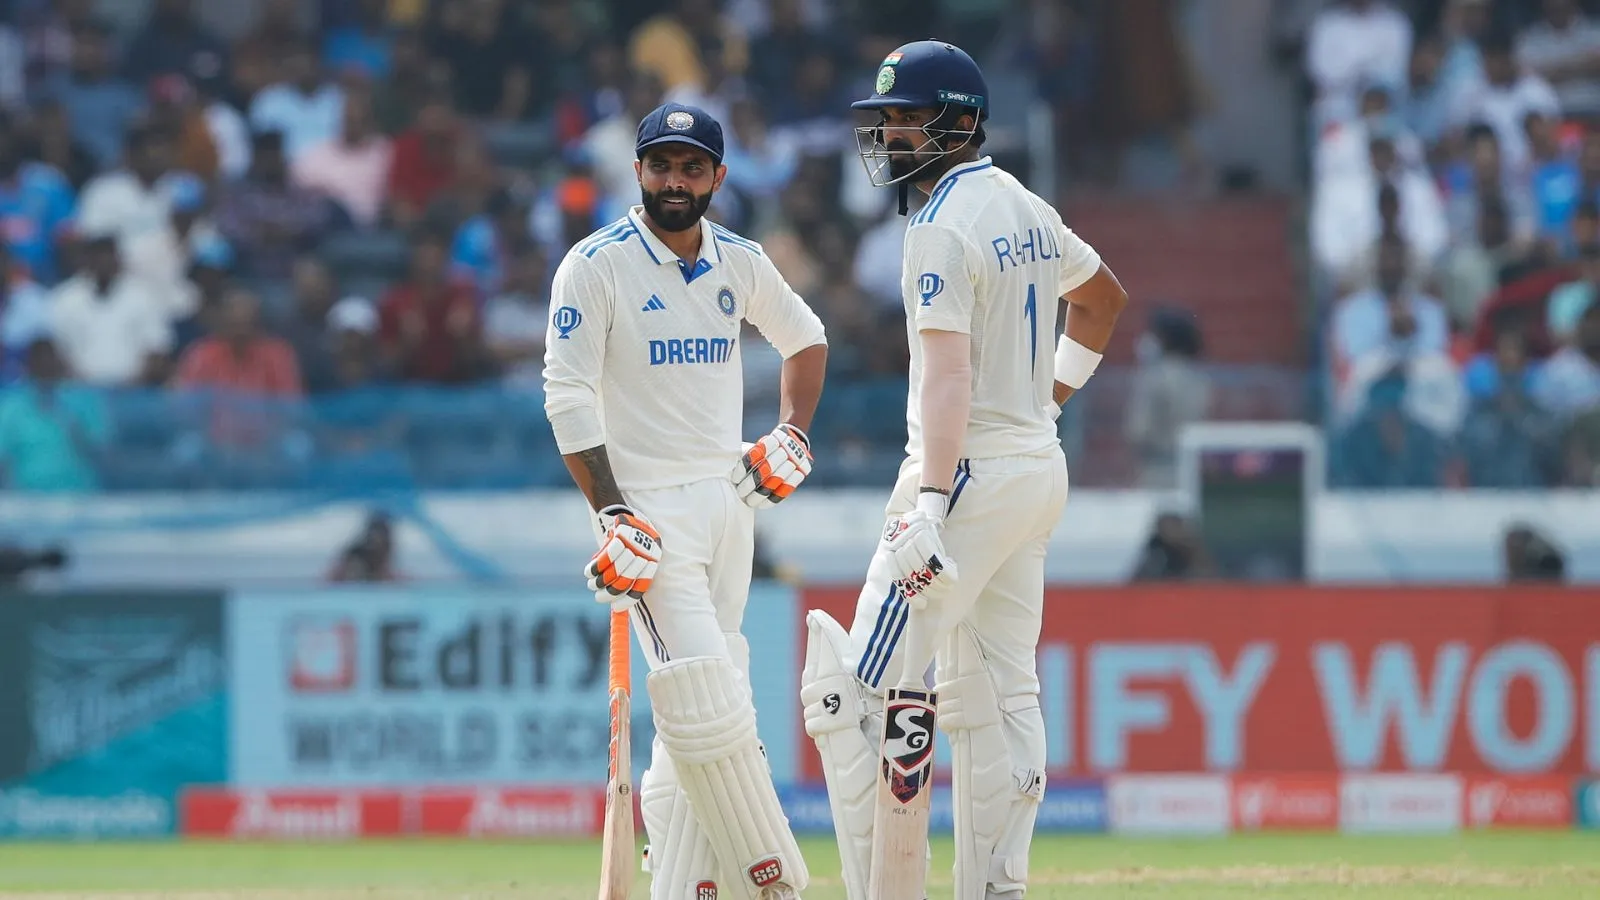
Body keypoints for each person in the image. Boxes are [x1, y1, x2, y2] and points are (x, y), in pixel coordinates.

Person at [801, 41, 1129, 900]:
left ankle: (884, 892)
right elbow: (1101, 302)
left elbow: (947, 376)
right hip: (1032, 472)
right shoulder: (1025, 205)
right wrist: (1048, 399)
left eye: (910, 118)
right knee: (997, 696)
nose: (894, 135)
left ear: (962, 121)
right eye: (887, 120)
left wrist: (934, 503)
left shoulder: (940, 224)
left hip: (968, 477)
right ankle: (996, 889)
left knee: (853, 696)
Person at [542, 101, 826, 900]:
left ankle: (678, 885)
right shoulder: (594, 265)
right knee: (708, 693)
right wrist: (611, 511)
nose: (675, 180)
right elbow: (566, 397)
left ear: (717, 178)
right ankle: (770, 883)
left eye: (691, 167)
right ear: (637, 173)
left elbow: (806, 338)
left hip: (731, 502)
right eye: (661, 166)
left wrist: (792, 431)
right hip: (650, 519)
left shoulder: (739, 260)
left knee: (697, 707)